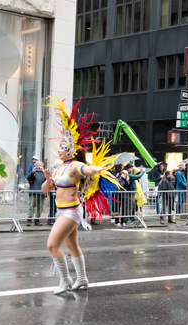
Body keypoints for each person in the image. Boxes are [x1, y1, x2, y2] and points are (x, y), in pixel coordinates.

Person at [43, 97, 120, 294]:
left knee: (52, 244)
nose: (58, 150)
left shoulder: (75, 165)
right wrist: (47, 178)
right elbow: (46, 190)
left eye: (62, 147)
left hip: (71, 212)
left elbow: (87, 169)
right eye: (59, 147)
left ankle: (66, 280)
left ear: (70, 150)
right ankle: (82, 279)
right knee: (73, 246)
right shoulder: (59, 167)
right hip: (62, 211)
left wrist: (98, 168)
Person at [48, 159, 62, 225]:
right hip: (53, 191)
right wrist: (53, 191)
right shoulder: (54, 170)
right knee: (53, 206)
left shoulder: (55, 170)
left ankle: (51, 219)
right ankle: (51, 219)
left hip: (54, 191)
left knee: (54, 206)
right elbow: (52, 181)